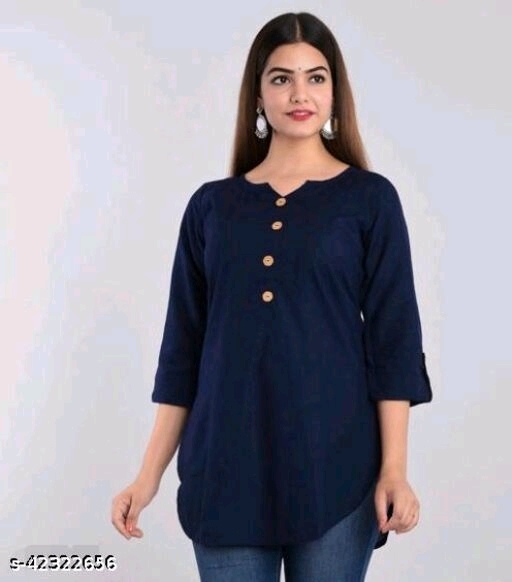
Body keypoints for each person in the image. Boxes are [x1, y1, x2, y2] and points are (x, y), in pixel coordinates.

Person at [111, 11, 433, 582]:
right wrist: (146, 476)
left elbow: (394, 346)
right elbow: (183, 352)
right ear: (258, 95)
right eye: (281, 78)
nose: (299, 94)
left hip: (337, 471)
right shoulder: (211, 207)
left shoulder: (370, 200)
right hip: (224, 470)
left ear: (335, 92)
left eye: (316, 77)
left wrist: (394, 470)